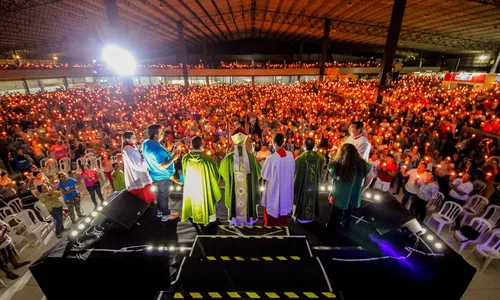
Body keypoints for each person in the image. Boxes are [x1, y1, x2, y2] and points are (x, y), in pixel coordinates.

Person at [219, 128, 262, 225]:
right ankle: (249, 220)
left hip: (235, 193)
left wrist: (226, 158)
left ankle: (235, 221)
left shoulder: (229, 158)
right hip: (248, 194)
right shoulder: (251, 158)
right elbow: (258, 174)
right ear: (245, 141)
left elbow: (222, 172)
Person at [327, 143, 371, 232]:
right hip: (353, 194)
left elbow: (331, 176)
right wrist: (363, 188)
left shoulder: (337, 164)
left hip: (339, 194)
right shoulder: (362, 164)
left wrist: (330, 160)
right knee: (348, 212)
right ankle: (345, 227)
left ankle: (331, 229)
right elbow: (370, 177)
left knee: (335, 213)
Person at [181, 136, 222, 225]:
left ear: (191, 145)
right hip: (204, 186)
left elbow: (185, 172)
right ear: (201, 145)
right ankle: (210, 216)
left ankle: (193, 214)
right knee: (207, 197)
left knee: (193, 198)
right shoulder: (208, 159)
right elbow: (215, 174)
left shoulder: (186, 158)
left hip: (192, 185)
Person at [142, 124, 179, 222]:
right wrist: (173, 158)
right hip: (163, 175)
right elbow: (162, 165)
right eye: (161, 132)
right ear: (155, 135)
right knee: (164, 195)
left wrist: (168, 153)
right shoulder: (157, 149)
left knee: (159, 193)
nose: (163, 134)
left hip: (155, 174)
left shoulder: (146, 143)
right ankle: (165, 215)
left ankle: (160, 211)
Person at [261, 133, 295, 226]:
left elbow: (264, 175)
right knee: (283, 206)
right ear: (283, 143)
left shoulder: (271, 159)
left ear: (274, 143)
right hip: (286, 187)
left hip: (274, 189)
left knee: (274, 205)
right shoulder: (290, 155)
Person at [293, 137, 325, 223]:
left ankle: (302, 217)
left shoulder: (300, 159)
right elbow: (323, 161)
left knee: (303, 198)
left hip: (304, 186)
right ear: (314, 146)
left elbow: (296, 175)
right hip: (314, 185)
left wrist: (294, 187)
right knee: (313, 198)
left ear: (303, 146)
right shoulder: (319, 158)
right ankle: (312, 216)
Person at [121, 131, 155, 203]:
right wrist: (146, 158)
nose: (135, 139)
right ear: (127, 139)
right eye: (133, 138)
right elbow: (137, 165)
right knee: (143, 198)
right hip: (137, 176)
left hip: (141, 174)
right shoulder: (128, 150)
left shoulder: (132, 147)